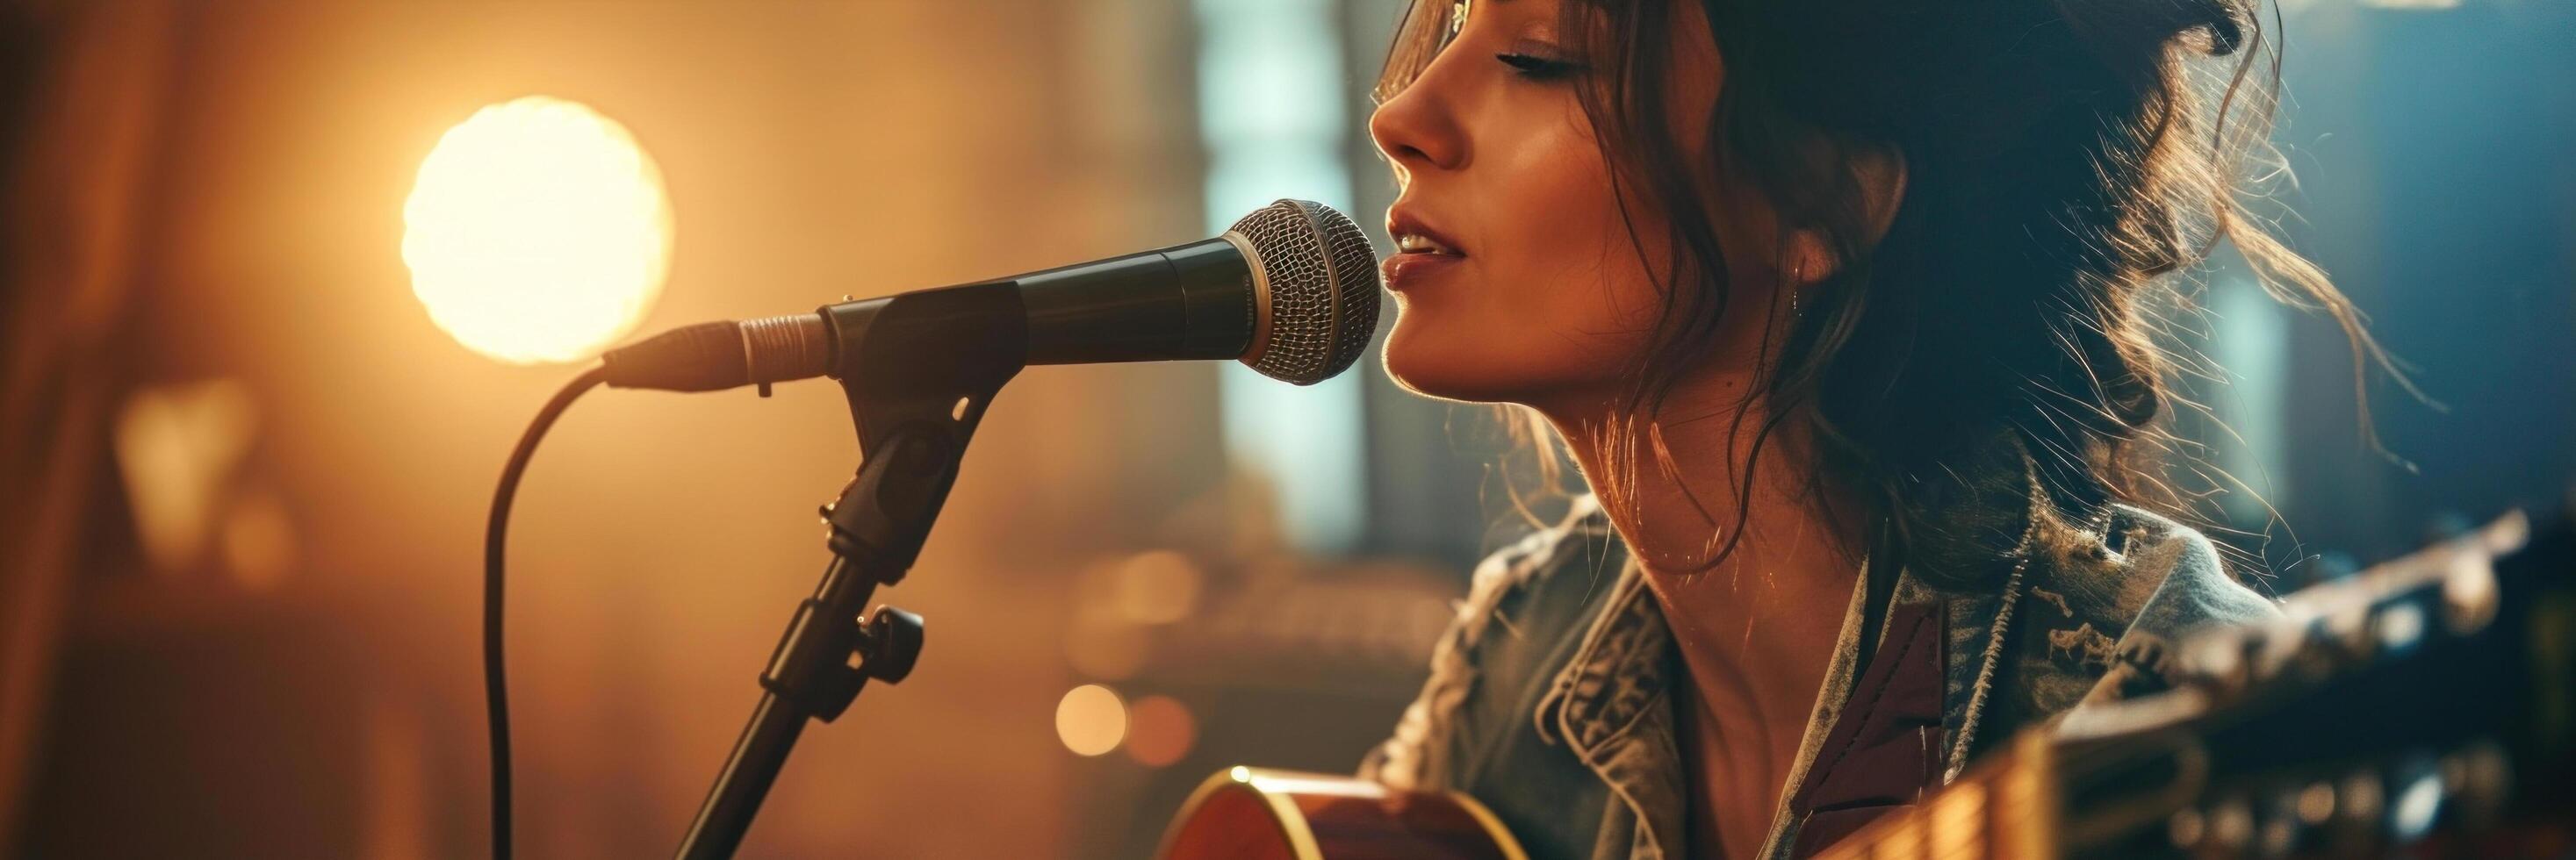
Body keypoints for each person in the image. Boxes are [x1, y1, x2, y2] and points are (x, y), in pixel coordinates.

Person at [1355, 0, 2382, 857]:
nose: (1402, 113)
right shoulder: (1524, 654)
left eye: (1541, 61)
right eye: (1449, 22)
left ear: (1822, 203)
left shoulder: (2166, 712)